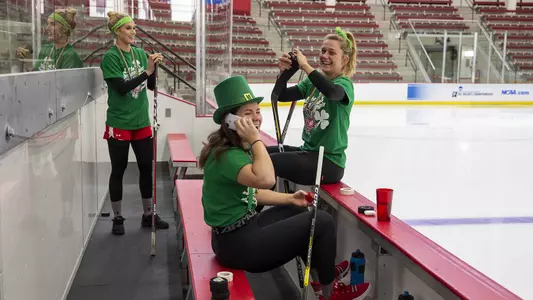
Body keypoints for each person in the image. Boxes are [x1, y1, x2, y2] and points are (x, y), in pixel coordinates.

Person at [199, 75, 370, 300]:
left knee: (299, 210)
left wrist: (290, 199)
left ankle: (321, 275)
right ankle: (330, 291)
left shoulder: (230, 147)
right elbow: (267, 179)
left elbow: (254, 193)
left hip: (236, 233)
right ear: (230, 121)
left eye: (257, 111)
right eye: (247, 114)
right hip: (237, 246)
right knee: (323, 221)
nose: (256, 118)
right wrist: (256, 139)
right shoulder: (230, 155)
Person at [100, 11, 168, 235]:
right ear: (117, 30)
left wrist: (153, 70)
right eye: (128, 28)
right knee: (118, 170)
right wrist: (147, 70)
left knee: (146, 168)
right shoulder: (110, 57)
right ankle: (118, 217)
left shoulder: (140, 53)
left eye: (134, 28)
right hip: (119, 122)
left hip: (141, 122)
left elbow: (149, 86)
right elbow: (121, 87)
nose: (133, 32)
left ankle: (148, 214)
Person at [268, 27, 357, 188]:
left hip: (329, 162)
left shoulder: (344, 84)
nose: (325, 56)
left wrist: (306, 67)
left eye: (331, 52)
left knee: (269, 162)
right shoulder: (312, 83)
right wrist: (286, 72)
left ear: (344, 60)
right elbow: (281, 96)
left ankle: (253, 210)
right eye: (323, 51)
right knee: (261, 153)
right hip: (309, 153)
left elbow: (331, 92)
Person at [17, 8, 83, 71]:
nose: (47, 28)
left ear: (65, 29)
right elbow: (36, 75)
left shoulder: (70, 56)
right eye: (48, 24)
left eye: (53, 24)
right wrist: (28, 60)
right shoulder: (45, 49)